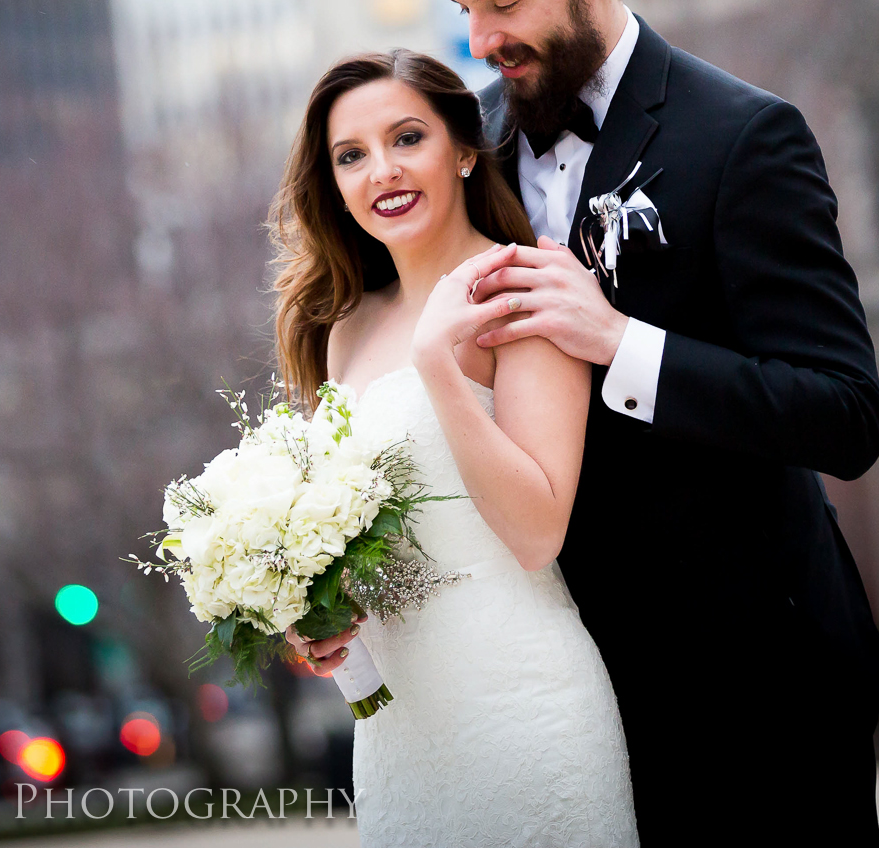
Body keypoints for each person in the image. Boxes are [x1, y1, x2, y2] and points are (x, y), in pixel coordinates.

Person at [303, 0, 879, 844]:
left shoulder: (743, 138)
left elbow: (844, 414)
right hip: (562, 691)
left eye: (506, 4)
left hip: (755, 678)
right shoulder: (465, 139)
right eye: (464, 11)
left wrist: (623, 341)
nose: (483, 38)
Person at [273, 50, 639, 847]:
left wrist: (439, 364)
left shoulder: (526, 290)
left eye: (408, 138)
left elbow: (538, 533)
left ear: (466, 149)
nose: (383, 171)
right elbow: (373, 535)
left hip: (522, 709)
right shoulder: (346, 329)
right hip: (403, 740)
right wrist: (324, 613)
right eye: (351, 155)